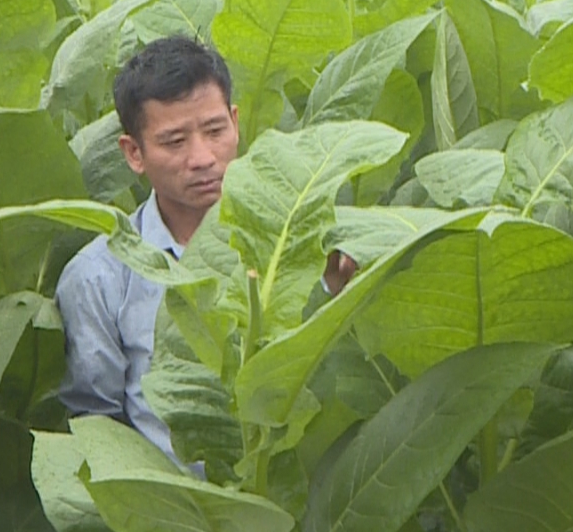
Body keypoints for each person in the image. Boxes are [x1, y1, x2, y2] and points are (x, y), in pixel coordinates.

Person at [56, 35, 355, 463]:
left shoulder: (299, 244)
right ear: (134, 153)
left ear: (235, 122)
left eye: (215, 131)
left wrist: (336, 293)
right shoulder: (97, 276)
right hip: (183, 517)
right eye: (174, 142)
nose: (202, 158)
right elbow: (98, 431)